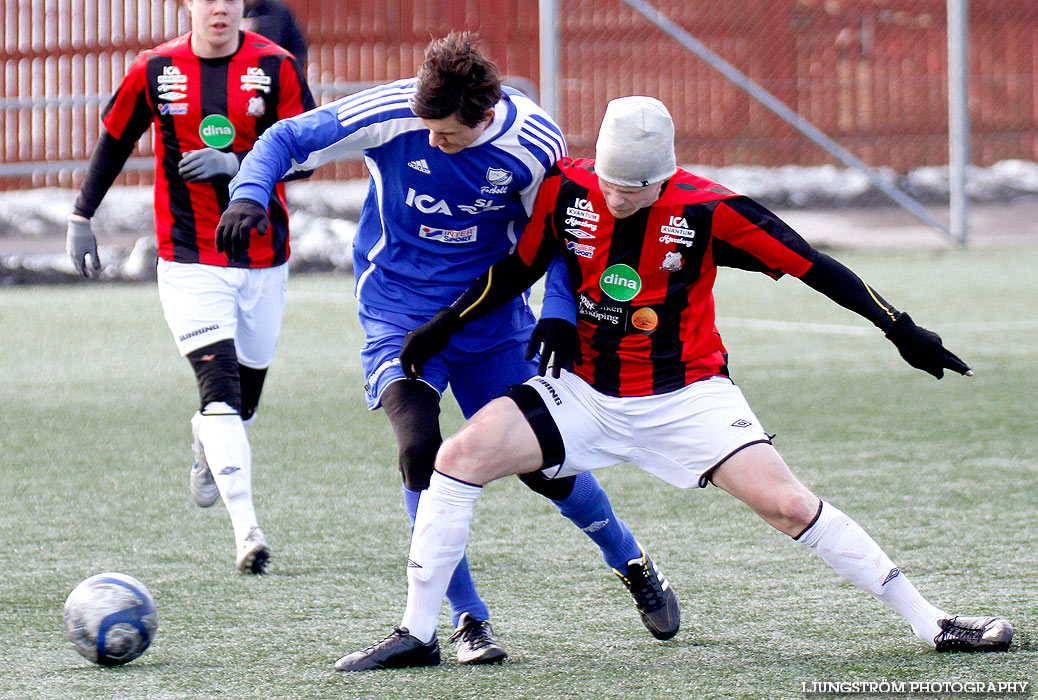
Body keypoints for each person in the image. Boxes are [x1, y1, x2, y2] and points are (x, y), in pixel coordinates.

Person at [332, 95, 1014, 671]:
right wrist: (443, 325)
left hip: (688, 399)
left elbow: (816, 266)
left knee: (786, 504)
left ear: (665, 178)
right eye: (609, 182)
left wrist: (901, 329)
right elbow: (519, 268)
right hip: (585, 393)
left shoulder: (711, 210)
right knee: (453, 460)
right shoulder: (570, 189)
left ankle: (932, 622)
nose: (617, 196)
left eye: (634, 187)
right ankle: (421, 632)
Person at [216, 33, 678, 664]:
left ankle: (630, 561)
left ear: (483, 116)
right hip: (399, 315)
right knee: (419, 450)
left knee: (546, 470)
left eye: (449, 136)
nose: (433, 141)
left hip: (491, 323)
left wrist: (560, 312)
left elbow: (567, 231)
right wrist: (248, 192)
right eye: (427, 128)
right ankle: (465, 620)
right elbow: (285, 139)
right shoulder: (394, 112)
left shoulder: (533, 144)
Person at [66, 0, 314, 574]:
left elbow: (307, 154)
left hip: (262, 256)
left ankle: (208, 439)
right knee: (220, 389)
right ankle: (247, 531)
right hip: (188, 258)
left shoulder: (276, 66)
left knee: (243, 404)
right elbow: (116, 137)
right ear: (188, 5)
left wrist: (239, 162)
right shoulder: (156, 69)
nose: (220, 8)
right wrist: (83, 215)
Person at [243, 0, 307, 68]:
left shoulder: (277, 10)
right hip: (238, 72)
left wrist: (286, 71)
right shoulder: (233, 9)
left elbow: (298, 47)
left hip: (270, 71)